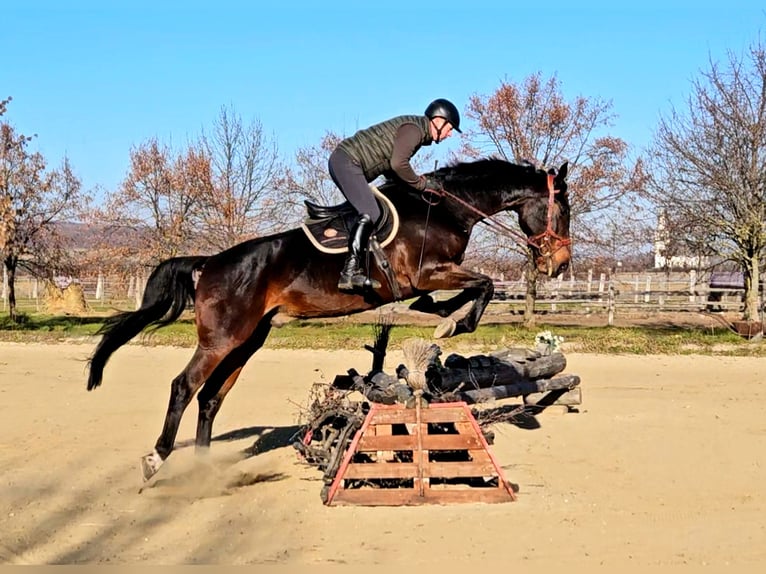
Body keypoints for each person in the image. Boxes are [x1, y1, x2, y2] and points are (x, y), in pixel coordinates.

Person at [329, 98, 462, 292]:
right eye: (450, 128)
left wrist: (414, 188)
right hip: (346, 161)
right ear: (439, 121)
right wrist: (422, 184)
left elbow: (392, 168)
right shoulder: (414, 130)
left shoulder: (417, 131)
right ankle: (349, 273)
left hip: (349, 163)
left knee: (381, 209)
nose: (450, 134)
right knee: (371, 212)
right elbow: (398, 164)